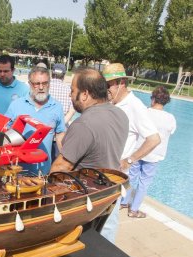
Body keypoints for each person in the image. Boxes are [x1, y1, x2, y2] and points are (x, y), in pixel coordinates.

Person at [100, 63, 161, 243]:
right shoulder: (111, 103)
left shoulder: (135, 106)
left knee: (109, 222)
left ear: (121, 83)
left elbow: (154, 139)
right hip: (101, 172)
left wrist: (130, 159)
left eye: (109, 85)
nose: (106, 89)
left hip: (115, 176)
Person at [50, 67, 128, 172]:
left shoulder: (83, 124)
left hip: (84, 186)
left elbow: (60, 168)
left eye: (72, 90)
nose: (70, 95)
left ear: (84, 94)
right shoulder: (121, 114)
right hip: (108, 183)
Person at [122, 86, 176, 218]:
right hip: (154, 155)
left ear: (153, 99)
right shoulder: (170, 118)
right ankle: (133, 210)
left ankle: (123, 202)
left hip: (138, 152)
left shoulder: (144, 112)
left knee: (131, 178)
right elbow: (172, 131)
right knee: (144, 182)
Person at [5, 66, 65, 175]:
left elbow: (60, 135)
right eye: (37, 84)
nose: (41, 87)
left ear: (49, 84)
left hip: (43, 173)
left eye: (45, 83)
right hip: (16, 171)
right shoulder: (16, 105)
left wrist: (63, 163)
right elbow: (4, 132)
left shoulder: (57, 107)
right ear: (30, 84)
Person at [48, 63, 76, 160]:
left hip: (45, 132)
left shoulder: (45, 88)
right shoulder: (69, 90)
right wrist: (60, 125)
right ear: (63, 76)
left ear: (52, 73)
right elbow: (72, 111)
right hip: (61, 133)